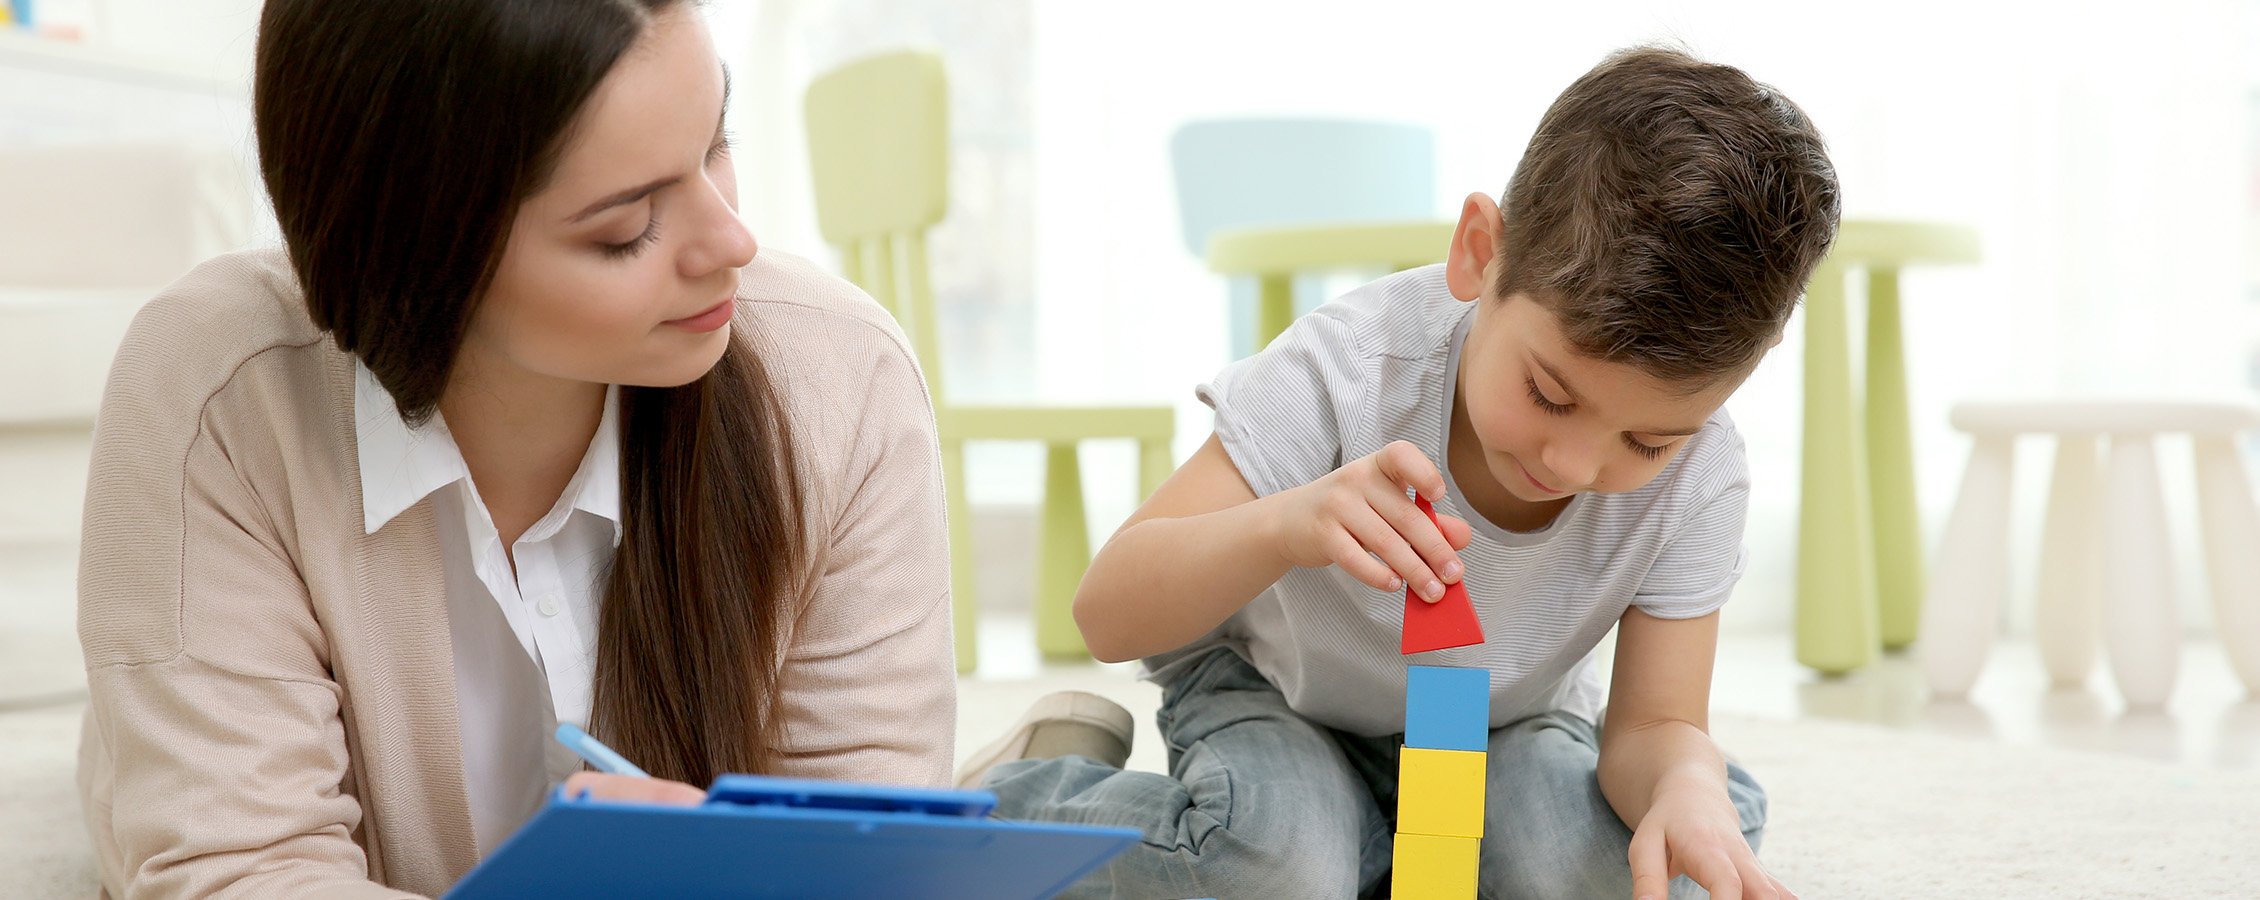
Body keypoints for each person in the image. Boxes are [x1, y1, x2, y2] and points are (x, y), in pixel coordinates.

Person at [74, 2, 955, 895]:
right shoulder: (218, 394)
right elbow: (240, 870)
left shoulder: (841, 382)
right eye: (627, 227)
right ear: (418, 250)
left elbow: (869, 861)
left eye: (714, 142)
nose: (734, 241)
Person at [959, 46, 1839, 900]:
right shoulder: (1348, 369)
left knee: (1597, 868)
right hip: (1278, 696)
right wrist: (1285, 524)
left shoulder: (1704, 472)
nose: (1572, 465)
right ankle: (1017, 803)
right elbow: (1107, 612)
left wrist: (1683, 781)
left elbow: (1655, 725)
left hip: (1504, 727)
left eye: (1646, 443)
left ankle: (1378, 851)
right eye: (1548, 393)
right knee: (1277, 871)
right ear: (1479, 252)